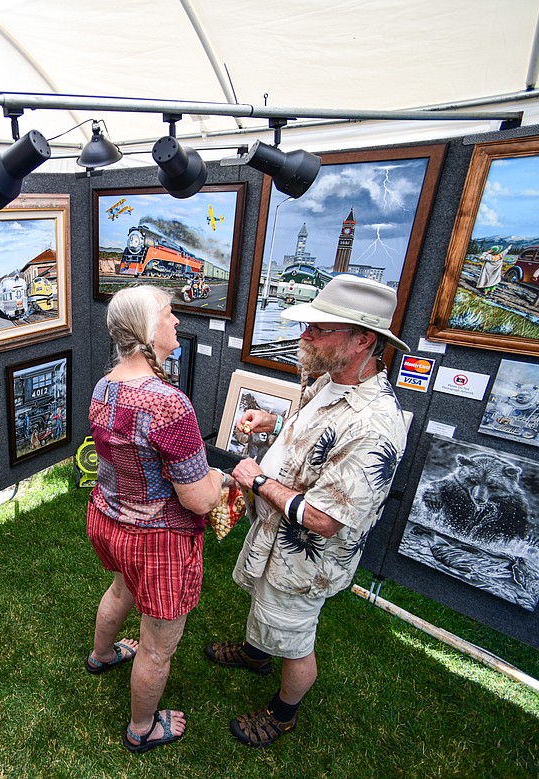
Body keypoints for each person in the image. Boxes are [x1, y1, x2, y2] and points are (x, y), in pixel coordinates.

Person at [206, 274, 409, 748]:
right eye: (308, 326)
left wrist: (256, 481)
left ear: (363, 340)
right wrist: (272, 420)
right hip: (276, 538)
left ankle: (283, 713)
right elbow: (314, 435)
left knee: (295, 635)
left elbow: (324, 519)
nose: (305, 336)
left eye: (319, 329)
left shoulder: (375, 425)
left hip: (306, 560)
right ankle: (257, 654)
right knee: (266, 605)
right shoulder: (330, 380)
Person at [85, 284, 231, 754]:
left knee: (120, 589)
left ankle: (102, 655)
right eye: (169, 314)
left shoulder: (104, 386)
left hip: (108, 520)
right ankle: (141, 728)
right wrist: (225, 479)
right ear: (148, 329)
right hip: (158, 540)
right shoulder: (170, 403)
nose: (177, 323)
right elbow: (199, 500)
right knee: (156, 647)